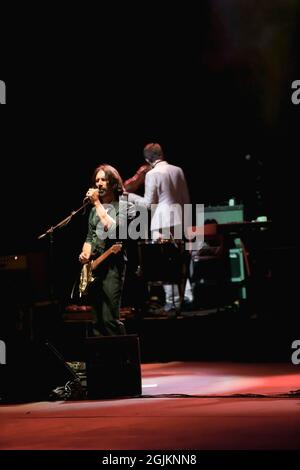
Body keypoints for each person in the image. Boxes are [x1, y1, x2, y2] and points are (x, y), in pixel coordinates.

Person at [127, 142, 193, 312]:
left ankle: (172, 302)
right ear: (162, 154)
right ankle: (184, 299)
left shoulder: (152, 173)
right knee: (177, 260)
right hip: (178, 217)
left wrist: (131, 196)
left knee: (164, 263)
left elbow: (149, 204)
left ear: (147, 159)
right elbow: (186, 199)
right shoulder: (178, 170)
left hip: (161, 221)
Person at [79, 164, 134, 336]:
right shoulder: (94, 211)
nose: (100, 184)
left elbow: (115, 230)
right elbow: (90, 237)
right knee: (96, 320)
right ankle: (101, 361)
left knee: (110, 318)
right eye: (97, 181)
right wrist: (85, 253)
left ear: (113, 182)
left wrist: (96, 202)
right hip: (95, 267)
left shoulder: (124, 205)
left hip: (113, 267)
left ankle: (124, 359)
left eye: (104, 179)